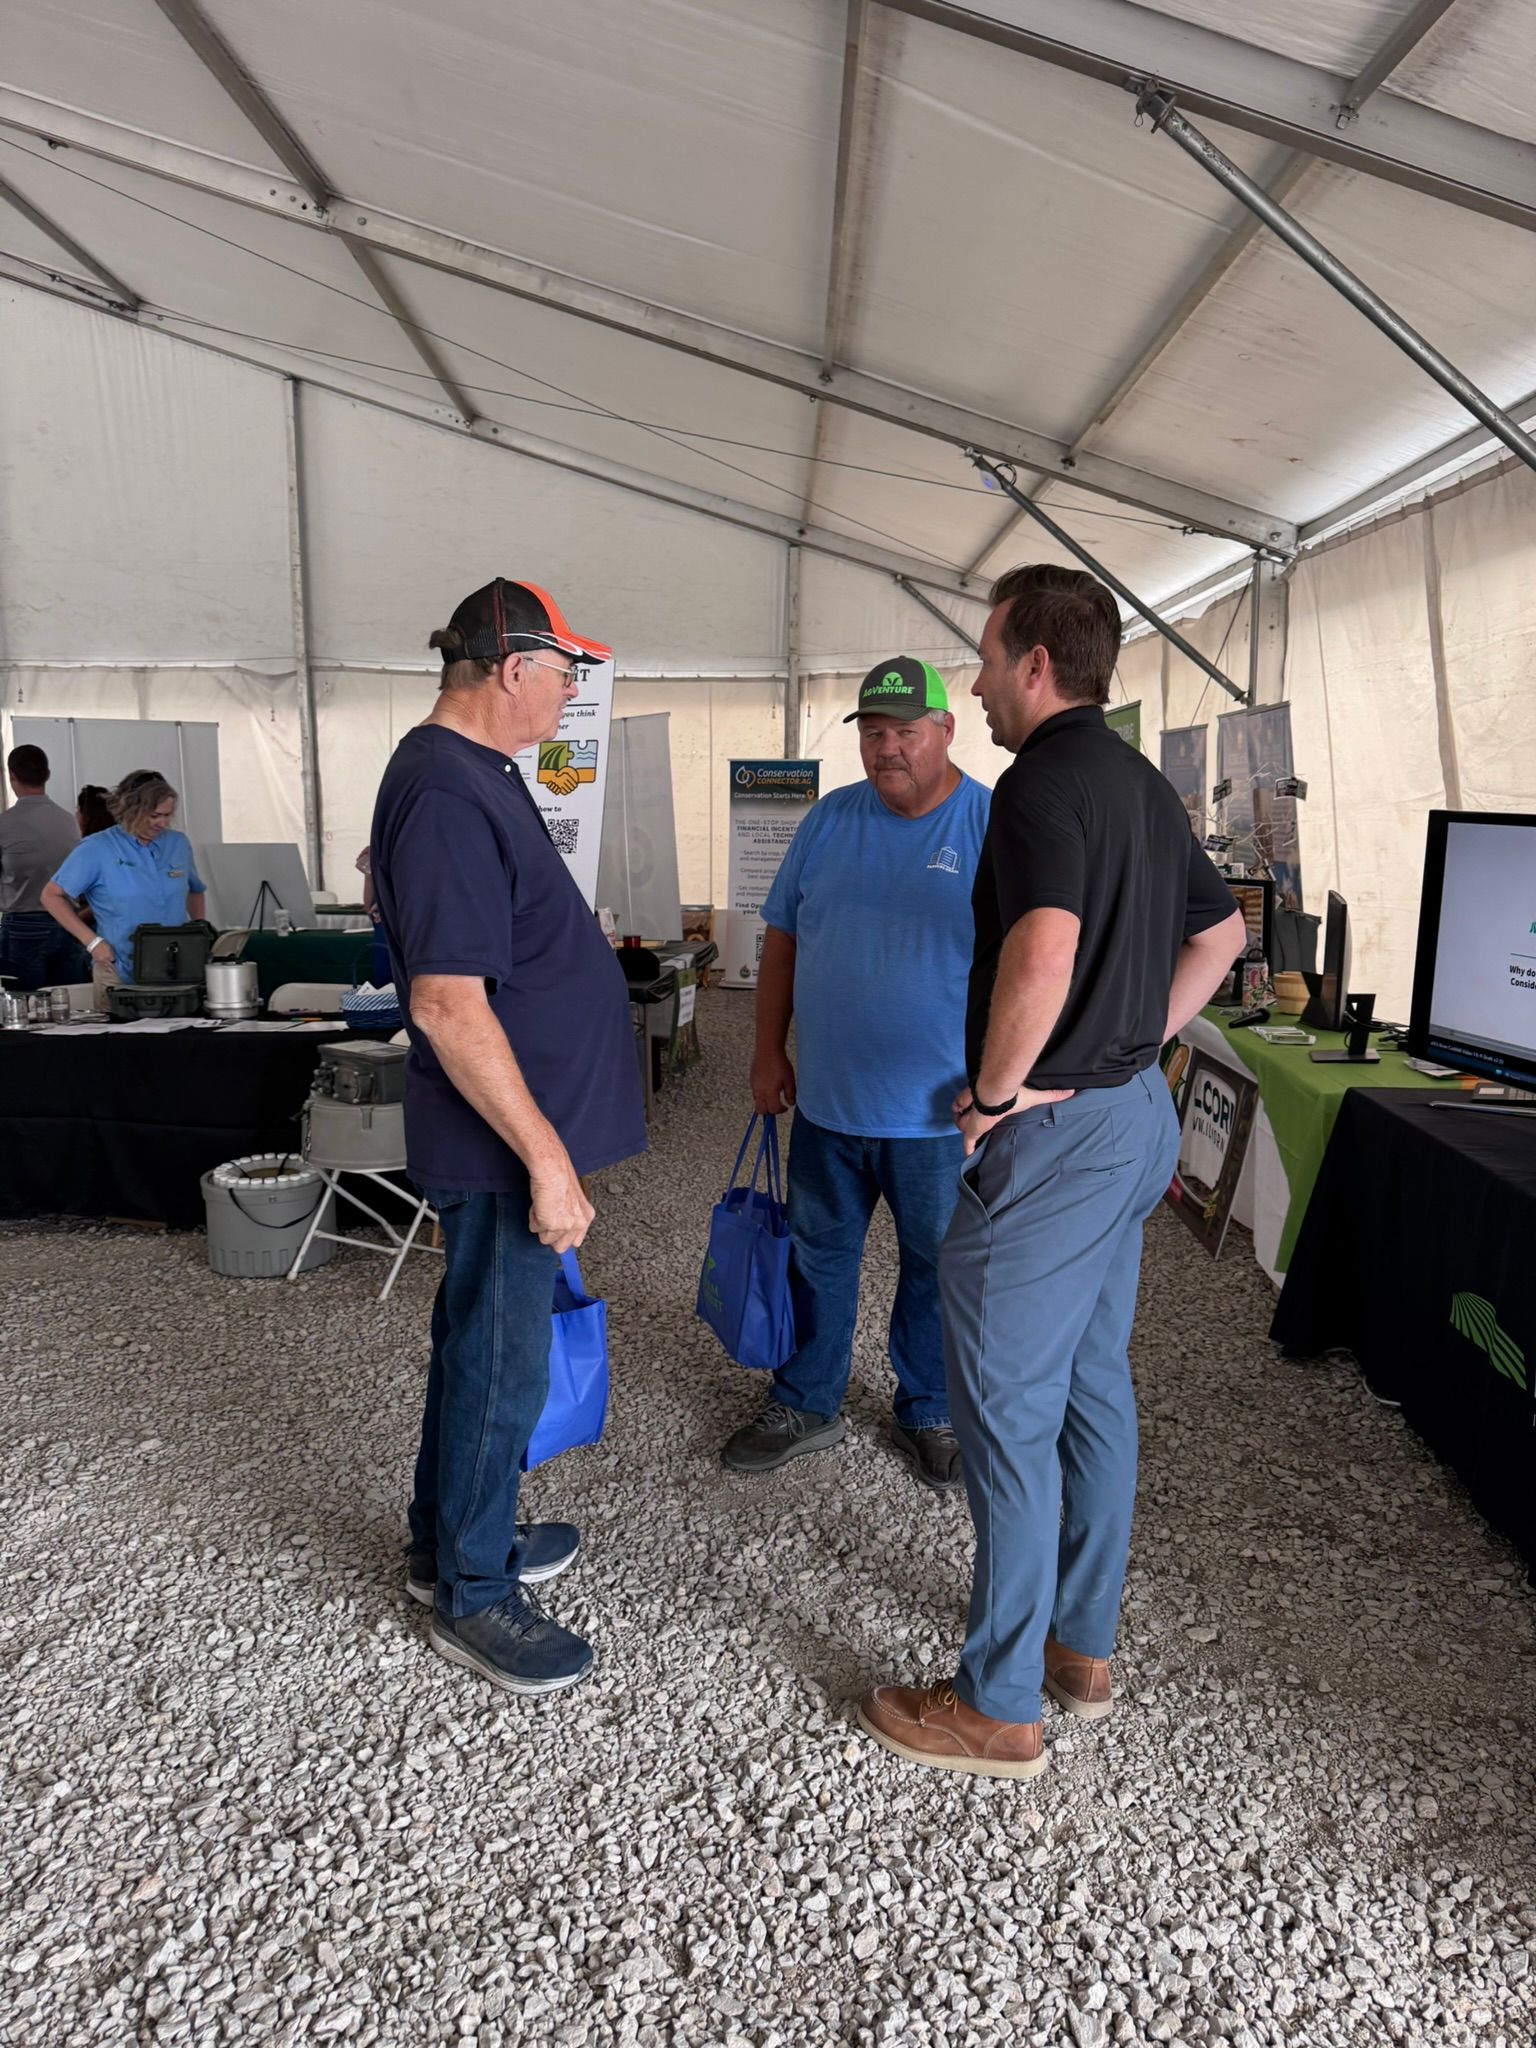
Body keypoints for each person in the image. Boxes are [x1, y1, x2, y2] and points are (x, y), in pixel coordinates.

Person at [859, 566, 1245, 1778]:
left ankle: (998, 1702)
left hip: (1057, 1143)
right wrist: (1132, 1044)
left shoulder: (1038, 785)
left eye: (983, 657)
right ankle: (1081, 1647)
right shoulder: (1140, 782)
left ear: (1036, 664)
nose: (971, 683)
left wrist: (993, 1091)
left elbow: (1045, 943)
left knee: (1006, 1412)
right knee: (1089, 1385)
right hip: (1134, 1121)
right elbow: (1222, 935)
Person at [370, 577, 645, 1699]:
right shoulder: (444, 789)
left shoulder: (477, 774)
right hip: (497, 1143)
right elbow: (444, 1000)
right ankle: (476, 1589)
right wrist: (544, 1154)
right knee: (500, 1356)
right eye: (565, 668)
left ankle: (451, 1542)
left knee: (479, 1343)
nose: (574, 687)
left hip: (510, 1131)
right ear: (507, 666)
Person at [721, 658, 991, 1491]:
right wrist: (768, 1052)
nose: (887, 749)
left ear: (946, 730)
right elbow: (782, 942)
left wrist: (1006, 1079)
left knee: (937, 1268)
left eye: (904, 731)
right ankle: (807, 1398)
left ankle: (930, 1406)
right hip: (831, 1108)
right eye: (873, 733)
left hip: (941, 1117)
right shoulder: (830, 820)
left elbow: (1035, 963)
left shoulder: (992, 824)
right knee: (818, 1255)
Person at [40, 774, 206, 1011]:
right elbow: (51, 896)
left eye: (168, 815)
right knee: (121, 1045)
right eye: (154, 816)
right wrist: (92, 942)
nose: (163, 823)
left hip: (176, 971)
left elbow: (195, 890)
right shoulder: (97, 848)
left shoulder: (177, 843)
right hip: (120, 971)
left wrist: (198, 934)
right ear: (131, 810)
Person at [0, 745, 88, 991]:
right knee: (70, 1005)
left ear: (11, 776)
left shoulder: (4, 824)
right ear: (47, 774)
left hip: (22, 924)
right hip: (69, 923)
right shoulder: (69, 822)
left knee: (22, 1007)